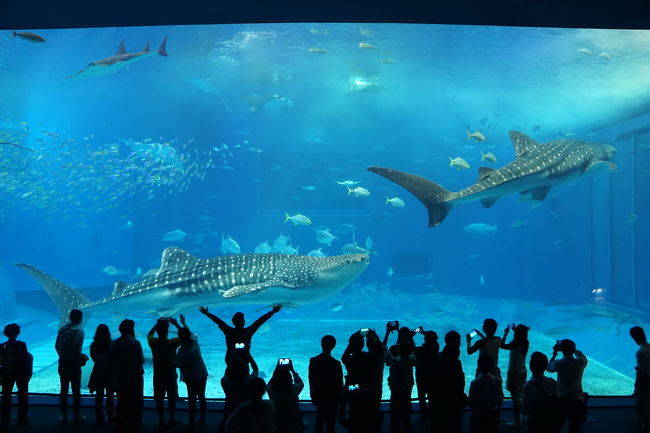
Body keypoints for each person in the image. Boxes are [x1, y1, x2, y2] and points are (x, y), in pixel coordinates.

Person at [198, 304, 282, 367]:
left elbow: (218, 321)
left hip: (230, 359)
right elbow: (260, 321)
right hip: (245, 359)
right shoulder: (248, 331)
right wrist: (272, 312)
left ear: (233, 322)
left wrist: (207, 313)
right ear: (244, 322)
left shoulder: (228, 331)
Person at [340, 329, 384, 433]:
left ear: (351, 346)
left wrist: (358, 332)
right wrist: (374, 336)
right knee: (368, 419)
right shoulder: (370, 358)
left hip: (355, 393)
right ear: (363, 345)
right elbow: (379, 351)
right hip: (369, 393)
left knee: (354, 418)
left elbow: (347, 351)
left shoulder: (348, 359)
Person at [109, 319, 144, 433]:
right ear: (131, 329)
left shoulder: (114, 343)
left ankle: (120, 423)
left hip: (120, 377)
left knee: (121, 400)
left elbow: (111, 361)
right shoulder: (136, 343)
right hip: (134, 377)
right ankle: (134, 423)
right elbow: (141, 361)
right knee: (135, 400)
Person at [147, 317, 182, 428]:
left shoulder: (153, 342)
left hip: (158, 375)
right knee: (171, 399)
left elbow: (149, 334)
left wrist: (156, 324)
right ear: (167, 331)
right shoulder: (173, 342)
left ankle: (161, 420)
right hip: (171, 376)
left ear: (157, 330)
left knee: (159, 399)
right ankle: (171, 418)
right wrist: (176, 324)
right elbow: (184, 335)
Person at [547, 339, 588, 433]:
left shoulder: (559, 363)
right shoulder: (580, 362)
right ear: (573, 349)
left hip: (562, 400)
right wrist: (574, 350)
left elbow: (548, 367)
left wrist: (555, 353)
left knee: (556, 426)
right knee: (575, 428)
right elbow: (583, 356)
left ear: (562, 350)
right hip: (577, 401)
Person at [176, 314, 208, 431]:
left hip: (191, 377)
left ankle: (191, 423)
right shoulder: (195, 342)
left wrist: (172, 363)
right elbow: (188, 333)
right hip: (202, 373)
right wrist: (181, 323)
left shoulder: (182, 350)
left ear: (180, 338)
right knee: (202, 397)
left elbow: (180, 364)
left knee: (192, 400)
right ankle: (203, 419)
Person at [430, 331, 466, 433]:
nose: (459, 347)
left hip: (437, 403)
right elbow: (460, 384)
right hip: (452, 403)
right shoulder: (456, 363)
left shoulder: (437, 358)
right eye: (458, 343)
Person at [382, 324, 416, 433]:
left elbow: (383, 347)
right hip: (407, 385)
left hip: (395, 387)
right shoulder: (411, 359)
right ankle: (406, 424)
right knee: (407, 405)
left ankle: (395, 425)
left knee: (394, 405)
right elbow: (412, 349)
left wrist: (388, 332)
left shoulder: (392, 360)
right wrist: (409, 337)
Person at [54, 309, 85, 424]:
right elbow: (77, 350)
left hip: (62, 364)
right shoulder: (79, 332)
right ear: (81, 319)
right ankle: (77, 415)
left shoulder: (62, 329)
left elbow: (56, 346)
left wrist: (63, 357)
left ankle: (64, 415)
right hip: (74, 366)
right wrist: (77, 359)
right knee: (76, 391)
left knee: (63, 390)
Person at [308, 335, 343, 433]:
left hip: (319, 396)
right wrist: (341, 399)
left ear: (321, 345)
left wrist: (312, 395)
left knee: (319, 421)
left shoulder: (313, 361)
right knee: (331, 423)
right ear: (334, 346)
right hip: (333, 397)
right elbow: (340, 383)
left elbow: (311, 379)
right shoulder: (336, 363)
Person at [0, 323, 32, 430]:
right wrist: (28, 373)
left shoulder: (2, 346)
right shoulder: (21, 344)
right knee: (22, 396)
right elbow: (26, 358)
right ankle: (22, 419)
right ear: (18, 332)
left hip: (6, 373)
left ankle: (5, 420)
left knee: (6, 396)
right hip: (20, 373)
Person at [521, 352, 561, 433]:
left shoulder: (528, 386)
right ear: (546, 366)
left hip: (536, 422)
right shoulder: (554, 382)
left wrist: (519, 401)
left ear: (531, 367)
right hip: (551, 420)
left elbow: (526, 409)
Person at [500, 323, 529, 429]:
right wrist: (515, 330)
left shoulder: (515, 343)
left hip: (514, 372)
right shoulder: (525, 342)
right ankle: (524, 416)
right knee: (521, 396)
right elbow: (520, 337)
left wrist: (505, 333)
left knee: (515, 399)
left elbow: (502, 345)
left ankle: (516, 422)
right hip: (523, 371)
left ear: (517, 333)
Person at [220, 357, 256, 433]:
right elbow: (256, 370)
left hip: (230, 409)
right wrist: (249, 356)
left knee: (230, 427)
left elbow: (227, 372)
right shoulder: (249, 381)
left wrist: (232, 360)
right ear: (245, 371)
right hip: (246, 411)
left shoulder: (224, 382)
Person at [267, 359, 304, 433]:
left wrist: (277, 369)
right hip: (293, 423)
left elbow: (269, 384)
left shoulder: (271, 390)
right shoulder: (294, 389)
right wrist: (292, 370)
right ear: (289, 379)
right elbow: (300, 383)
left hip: (278, 423)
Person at [468, 354, 503, 433]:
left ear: (478, 367)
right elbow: (500, 401)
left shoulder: (474, 383)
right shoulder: (498, 381)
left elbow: (471, 404)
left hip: (478, 416)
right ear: (492, 366)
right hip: (493, 416)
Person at [88, 324, 115, 424]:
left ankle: (99, 415)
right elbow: (114, 358)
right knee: (110, 394)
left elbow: (94, 358)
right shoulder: (112, 344)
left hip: (98, 371)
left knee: (99, 394)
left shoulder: (93, 345)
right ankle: (111, 414)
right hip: (109, 371)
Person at [414, 330, 438, 418]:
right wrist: (423, 332)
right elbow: (432, 341)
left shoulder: (420, 349)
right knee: (432, 395)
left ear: (425, 339)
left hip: (421, 376)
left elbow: (412, 348)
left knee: (421, 396)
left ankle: (424, 415)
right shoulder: (436, 347)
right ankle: (433, 412)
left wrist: (411, 336)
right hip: (432, 375)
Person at [630, 326, 650, 433]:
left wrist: (636, 389)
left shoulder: (640, 352)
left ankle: (647, 426)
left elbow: (641, 372)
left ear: (634, 338)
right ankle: (639, 423)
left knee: (640, 406)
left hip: (645, 382)